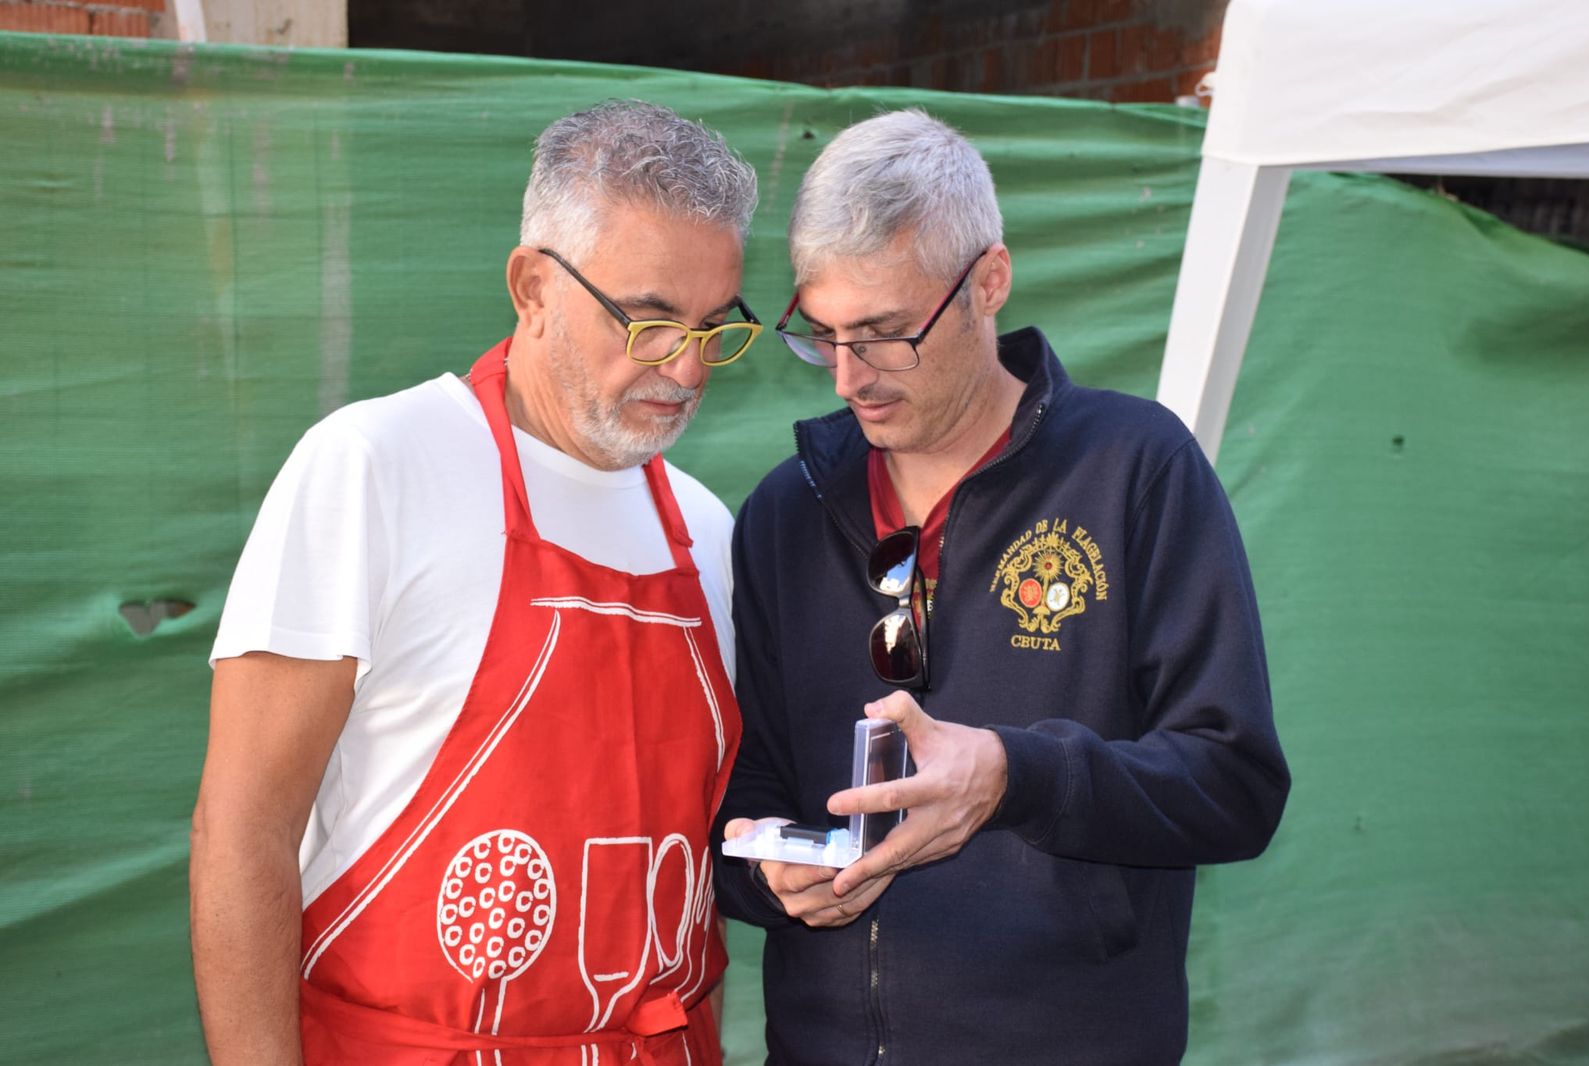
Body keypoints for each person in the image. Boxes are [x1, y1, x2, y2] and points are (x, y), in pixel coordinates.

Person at [715, 109, 1290, 1064]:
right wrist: (767, 870)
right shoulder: (784, 512)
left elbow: (1234, 783)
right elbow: (745, 782)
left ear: (989, 282)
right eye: (821, 335)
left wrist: (1016, 777)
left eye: (887, 334)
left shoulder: (1133, 470)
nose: (851, 377)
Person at [191, 100, 760, 1066]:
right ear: (533, 284)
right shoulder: (375, 467)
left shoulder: (706, 534)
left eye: (716, 327)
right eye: (651, 320)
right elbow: (243, 828)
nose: (688, 366)